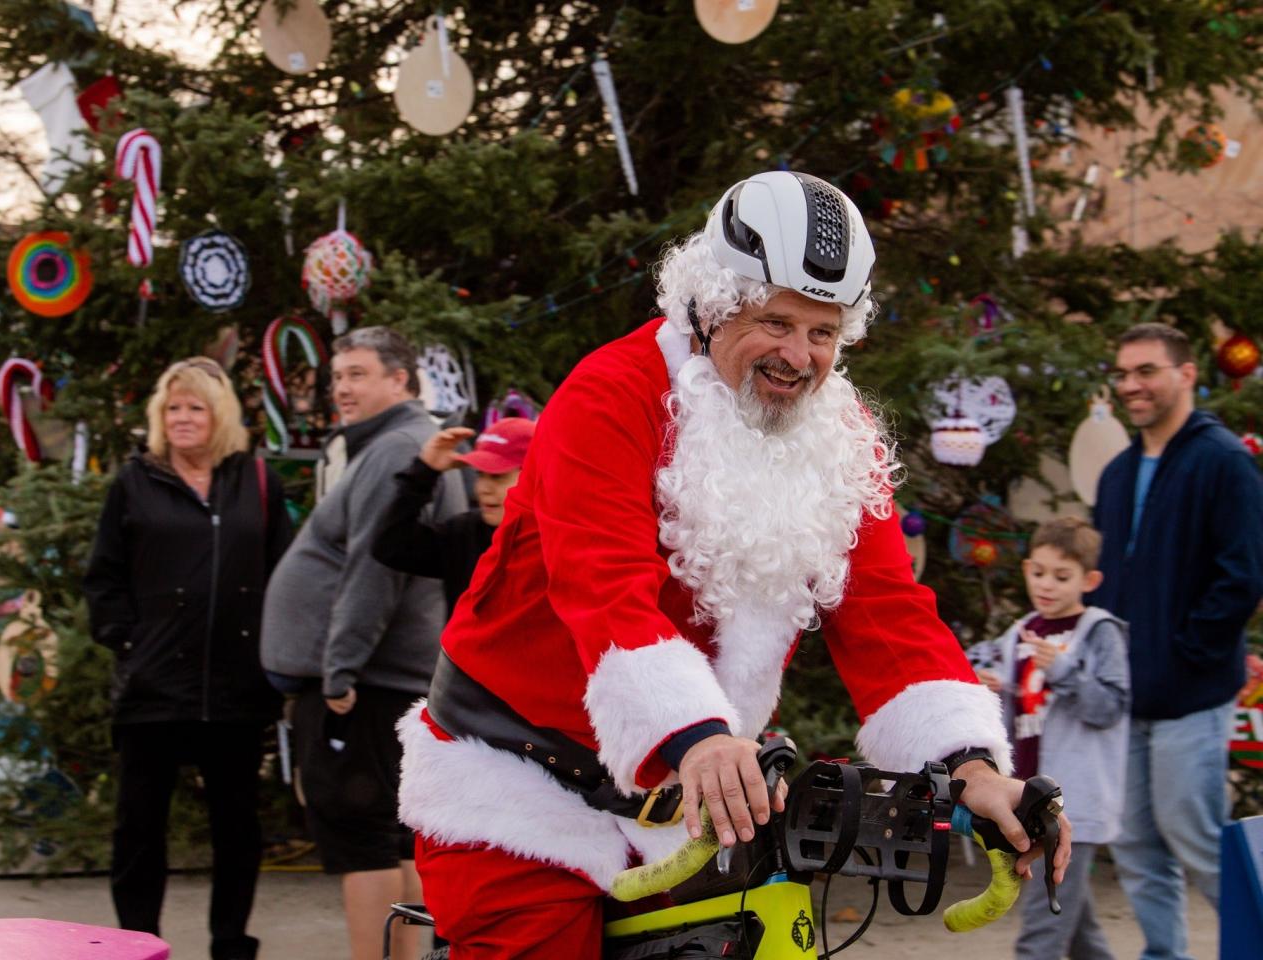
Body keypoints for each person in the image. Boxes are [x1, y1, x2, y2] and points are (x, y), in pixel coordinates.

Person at [397, 170, 1072, 959]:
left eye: (824, 333)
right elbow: (603, 585)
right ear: (712, 305)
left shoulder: (836, 430)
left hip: (690, 797)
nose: (799, 357)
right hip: (517, 784)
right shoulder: (610, 393)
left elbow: (888, 612)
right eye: (776, 321)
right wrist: (699, 736)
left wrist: (972, 769)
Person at [260, 326, 467, 960]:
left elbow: (375, 570)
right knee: (394, 837)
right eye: (337, 376)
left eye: (357, 374)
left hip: (368, 684)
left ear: (399, 380)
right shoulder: (400, 445)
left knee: (361, 834)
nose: (341, 389)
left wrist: (341, 669)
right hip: (387, 680)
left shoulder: (394, 449)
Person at [83, 357, 292, 960]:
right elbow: (104, 579)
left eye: (194, 407)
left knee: (237, 829)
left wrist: (273, 656)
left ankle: (230, 943)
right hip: (153, 687)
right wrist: (127, 641)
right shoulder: (133, 482)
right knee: (139, 831)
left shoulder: (256, 481)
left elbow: (284, 575)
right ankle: (136, 944)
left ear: (218, 415)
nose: (181, 418)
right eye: (172, 408)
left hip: (236, 688)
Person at [1091, 322, 1263, 960]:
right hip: (1124, 699)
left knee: (1198, 842)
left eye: (1147, 371)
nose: (1132, 385)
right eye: (1124, 373)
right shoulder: (1116, 473)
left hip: (1191, 694)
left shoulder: (1223, 460)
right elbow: (1104, 581)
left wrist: (1189, 652)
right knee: (1136, 846)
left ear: (1186, 374)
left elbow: (1242, 574)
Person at [969, 517, 1128, 960]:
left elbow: (1110, 707)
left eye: (1062, 576)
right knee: (1077, 930)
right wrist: (993, 688)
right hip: (1032, 795)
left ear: (1089, 580)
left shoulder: (1100, 631)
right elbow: (1019, 709)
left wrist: (1062, 671)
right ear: (1025, 569)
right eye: (1038, 573)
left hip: (1073, 801)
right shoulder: (1021, 631)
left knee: (1043, 926)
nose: (1047, 585)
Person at [372, 417, 536, 613]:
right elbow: (390, 546)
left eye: (497, 476)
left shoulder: (561, 541)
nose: (483, 488)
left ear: (535, 476)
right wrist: (424, 472)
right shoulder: (465, 532)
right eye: (479, 474)